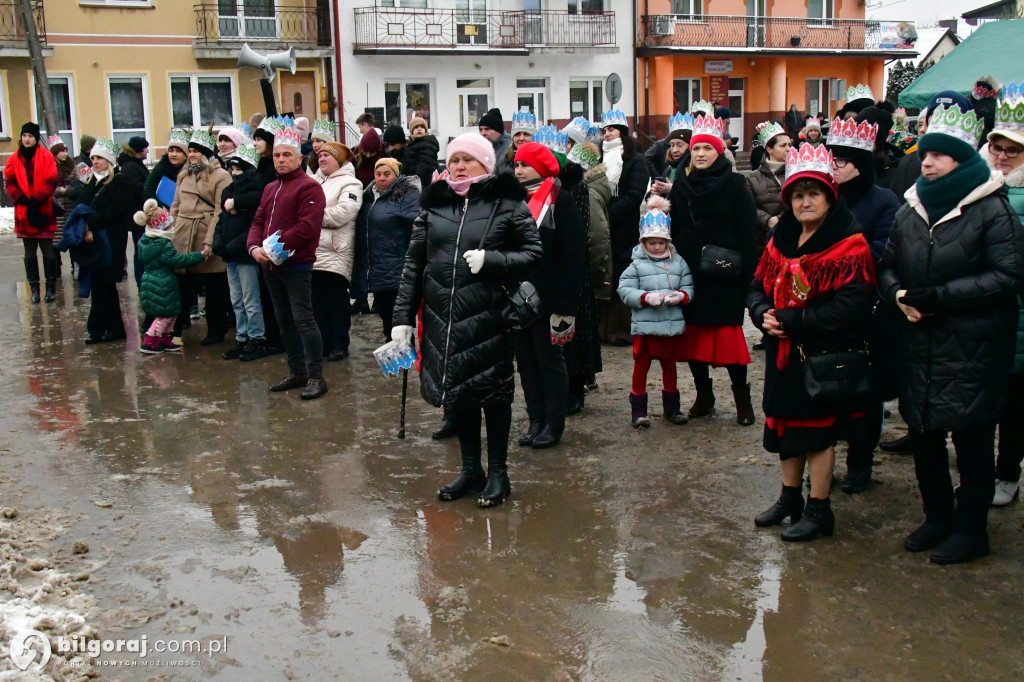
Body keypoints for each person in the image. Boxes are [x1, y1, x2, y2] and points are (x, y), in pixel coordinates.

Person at [878, 104, 1024, 564]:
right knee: (923, 434)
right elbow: (886, 265)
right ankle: (937, 516)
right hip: (920, 344)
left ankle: (970, 530)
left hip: (973, 346)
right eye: (926, 154)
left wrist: (939, 296)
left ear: (963, 160)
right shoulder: (911, 208)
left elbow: (1007, 277)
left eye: (940, 155)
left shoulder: (992, 209)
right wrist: (898, 294)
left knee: (972, 440)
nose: (927, 162)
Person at [391, 132, 542, 507]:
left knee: (493, 395)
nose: (458, 166)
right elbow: (414, 263)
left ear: (486, 164)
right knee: (460, 395)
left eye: (467, 159)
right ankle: (470, 469)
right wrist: (402, 318)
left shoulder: (505, 202)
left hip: (489, 317)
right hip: (443, 318)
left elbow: (534, 252)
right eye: (454, 158)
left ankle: (498, 474)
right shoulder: (435, 205)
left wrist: (494, 261)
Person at [748, 143, 877, 541]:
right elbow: (756, 286)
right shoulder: (780, 240)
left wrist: (796, 321)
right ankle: (790, 499)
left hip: (821, 355)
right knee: (785, 427)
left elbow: (852, 306)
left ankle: (820, 508)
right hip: (782, 354)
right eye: (798, 194)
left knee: (817, 434)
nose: (805, 202)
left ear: (828, 197)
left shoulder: (849, 245)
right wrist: (761, 314)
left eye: (813, 194)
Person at [825, 116, 900, 493]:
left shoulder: (884, 201)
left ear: (859, 163)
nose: (832, 166)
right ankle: (822, 464)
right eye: (830, 159)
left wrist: (835, 262)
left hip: (866, 311)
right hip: (824, 309)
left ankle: (860, 460)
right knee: (823, 387)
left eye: (839, 160)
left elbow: (885, 250)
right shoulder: (823, 197)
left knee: (864, 392)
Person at [668, 113, 758, 425]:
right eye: (696, 149)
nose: (701, 153)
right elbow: (675, 226)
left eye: (708, 148)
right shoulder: (681, 186)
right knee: (693, 338)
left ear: (719, 152)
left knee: (729, 339)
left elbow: (748, 232)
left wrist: (750, 280)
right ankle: (704, 396)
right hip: (691, 273)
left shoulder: (735, 184)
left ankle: (742, 402)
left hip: (725, 274)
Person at [512, 142, 586, 449]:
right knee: (526, 362)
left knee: (550, 361)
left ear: (541, 168)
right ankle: (536, 420)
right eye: (516, 165)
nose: (518, 171)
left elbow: (573, 255)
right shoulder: (513, 200)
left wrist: (565, 306)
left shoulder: (560, 200)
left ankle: (553, 425)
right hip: (517, 298)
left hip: (550, 298)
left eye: (525, 165)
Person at [247, 125, 329, 401]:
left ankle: (316, 376)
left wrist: (272, 248)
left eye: (286, 155)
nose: (281, 159)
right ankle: (296, 371)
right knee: (284, 320)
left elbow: (306, 227)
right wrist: (254, 247)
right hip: (270, 266)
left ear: (298, 158)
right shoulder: (271, 187)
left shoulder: (309, 187)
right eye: (277, 155)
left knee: (303, 319)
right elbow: (258, 220)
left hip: (297, 265)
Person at [617, 196, 694, 428]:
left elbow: (688, 285)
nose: (657, 247)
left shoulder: (679, 263)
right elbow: (624, 288)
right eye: (652, 242)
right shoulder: (636, 264)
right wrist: (643, 297)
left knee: (669, 364)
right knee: (642, 365)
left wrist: (681, 295)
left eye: (661, 242)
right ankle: (638, 410)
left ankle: (672, 406)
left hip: (669, 323)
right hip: (645, 324)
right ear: (644, 242)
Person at [982, 85, 1024, 506]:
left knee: (1014, 403)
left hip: (1019, 315)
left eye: (1014, 149)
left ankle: (1008, 471)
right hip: (984, 314)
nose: (1004, 155)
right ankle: (983, 470)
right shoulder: (979, 188)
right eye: (999, 146)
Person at [169, 130, 233, 346]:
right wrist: (171, 229)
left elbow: (219, 210)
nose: (192, 155)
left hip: (205, 230)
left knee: (214, 286)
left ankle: (216, 330)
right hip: (183, 233)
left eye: (196, 151)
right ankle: (176, 329)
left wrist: (209, 241)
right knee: (182, 285)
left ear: (205, 153)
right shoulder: (183, 175)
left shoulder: (221, 176)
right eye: (191, 151)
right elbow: (175, 206)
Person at [212, 144, 270, 362]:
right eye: (232, 170)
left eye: (238, 170)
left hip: (245, 255)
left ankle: (257, 338)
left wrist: (233, 246)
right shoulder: (230, 195)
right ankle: (242, 337)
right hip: (230, 256)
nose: (234, 174)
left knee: (250, 298)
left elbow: (254, 227)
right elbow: (221, 221)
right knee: (236, 299)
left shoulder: (254, 196)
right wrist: (218, 243)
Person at [353, 157, 421, 341]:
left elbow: (416, 229)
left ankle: (404, 356)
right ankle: (394, 356)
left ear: (396, 175)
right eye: (378, 174)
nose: (382, 178)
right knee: (385, 317)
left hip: (397, 266)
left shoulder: (406, 196)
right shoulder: (368, 198)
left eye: (387, 174)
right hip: (375, 267)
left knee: (399, 318)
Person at [75, 137, 134, 343]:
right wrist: (93, 181)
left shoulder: (121, 180)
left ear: (109, 160)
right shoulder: (95, 181)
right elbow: (81, 203)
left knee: (105, 283)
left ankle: (103, 328)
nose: (95, 161)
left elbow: (116, 210)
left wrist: (92, 223)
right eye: (93, 158)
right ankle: (107, 328)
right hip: (95, 241)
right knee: (100, 285)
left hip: (111, 240)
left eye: (99, 158)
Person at [601, 108, 650, 347]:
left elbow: (633, 196)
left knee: (622, 276)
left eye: (611, 129)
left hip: (624, 228)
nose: (606, 134)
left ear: (622, 132)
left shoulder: (636, 160)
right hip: (603, 230)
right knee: (604, 276)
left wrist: (606, 215)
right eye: (604, 130)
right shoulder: (602, 158)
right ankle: (603, 329)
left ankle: (621, 330)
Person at [311, 142, 363, 362]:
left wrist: (309, 218)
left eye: (327, 156)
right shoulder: (313, 181)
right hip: (312, 251)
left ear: (339, 160)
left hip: (335, 251)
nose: (322, 159)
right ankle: (323, 342)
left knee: (337, 301)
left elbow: (344, 212)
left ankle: (340, 343)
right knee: (317, 301)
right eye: (320, 155)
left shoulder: (351, 183)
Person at [134, 206, 205, 354]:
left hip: (152, 280)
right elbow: (178, 260)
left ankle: (164, 338)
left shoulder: (146, 241)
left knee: (170, 312)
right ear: (163, 226)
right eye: (170, 224)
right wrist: (199, 255)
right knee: (165, 315)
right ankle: (150, 340)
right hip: (162, 283)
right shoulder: (163, 245)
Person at [5, 122, 58, 303]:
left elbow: (52, 180)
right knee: (29, 253)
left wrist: (37, 200)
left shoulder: (46, 156)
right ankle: (34, 287)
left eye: (31, 136)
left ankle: (51, 287)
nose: (27, 139)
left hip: (43, 208)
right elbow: (9, 182)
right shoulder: (14, 158)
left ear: (36, 139)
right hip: (24, 210)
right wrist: (23, 200)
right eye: (25, 136)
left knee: (48, 251)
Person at [745, 122, 792, 250]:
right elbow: (747, 206)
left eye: (790, 145)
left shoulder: (795, 174)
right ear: (769, 149)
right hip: (762, 242)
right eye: (783, 145)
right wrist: (767, 220)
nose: (788, 149)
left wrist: (782, 218)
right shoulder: (752, 178)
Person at [117, 136, 150, 289]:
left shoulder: (134, 164)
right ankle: (140, 281)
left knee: (141, 249)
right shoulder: (130, 167)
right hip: (136, 216)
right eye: (145, 148)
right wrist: (149, 187)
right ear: (139, 150)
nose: (148, 151)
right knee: (140, 250)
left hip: (139, 214)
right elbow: (136, 188)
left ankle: (142, 280)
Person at [50, 135, 77, 278]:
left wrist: (68, 191)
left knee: (72, 238)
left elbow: (78, 185)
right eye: (62, 151)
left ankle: (75, 266)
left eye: (66, 150)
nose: (65, 153)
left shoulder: (72, 165)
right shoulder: (49, 167)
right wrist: (61, 191)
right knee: (55, 241)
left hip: (70, 207)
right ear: (55, 153)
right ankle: (56, 269)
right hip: (55, 210)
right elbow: (46, 188)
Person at [143, 130, 189, 208]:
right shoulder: (161, 168)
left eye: (178, 151)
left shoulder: (191, 171)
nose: (173, 154)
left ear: (185, 155)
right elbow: (148, 192)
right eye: (171, 151)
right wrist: (163, 207)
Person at [402, 117, 440, 190]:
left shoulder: (427, 144)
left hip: (421, 183)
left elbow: (426, 165)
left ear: (426, 130)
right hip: (412, 181)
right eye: (416, 127)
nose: (419, 129)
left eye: (422, 127)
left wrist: (417, 182)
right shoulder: (412, 145)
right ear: (411, 131)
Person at [495, 110, 536, 176]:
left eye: (526, 134)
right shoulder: (504, 161)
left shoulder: (540, 159)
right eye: (517, 134)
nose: (521, 138)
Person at [354, 119, 383, 189]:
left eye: (372, 152)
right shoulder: (353, 158)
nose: (368, 155)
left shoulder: (385, 157)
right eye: (365, 151)